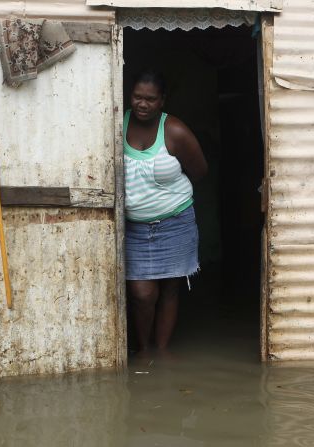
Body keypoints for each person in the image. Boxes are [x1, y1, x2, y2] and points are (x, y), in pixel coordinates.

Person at [123, 70, 208, 356]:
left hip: (176, 223)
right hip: (134, 228)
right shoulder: (116, 124)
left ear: (162, 101)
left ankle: (161, 351)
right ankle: (144, 348)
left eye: (150, 99)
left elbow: (199, 171)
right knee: (142, 294)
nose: (142, 104)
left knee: (170, 289)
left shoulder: (174, 131)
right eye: (137, 97)